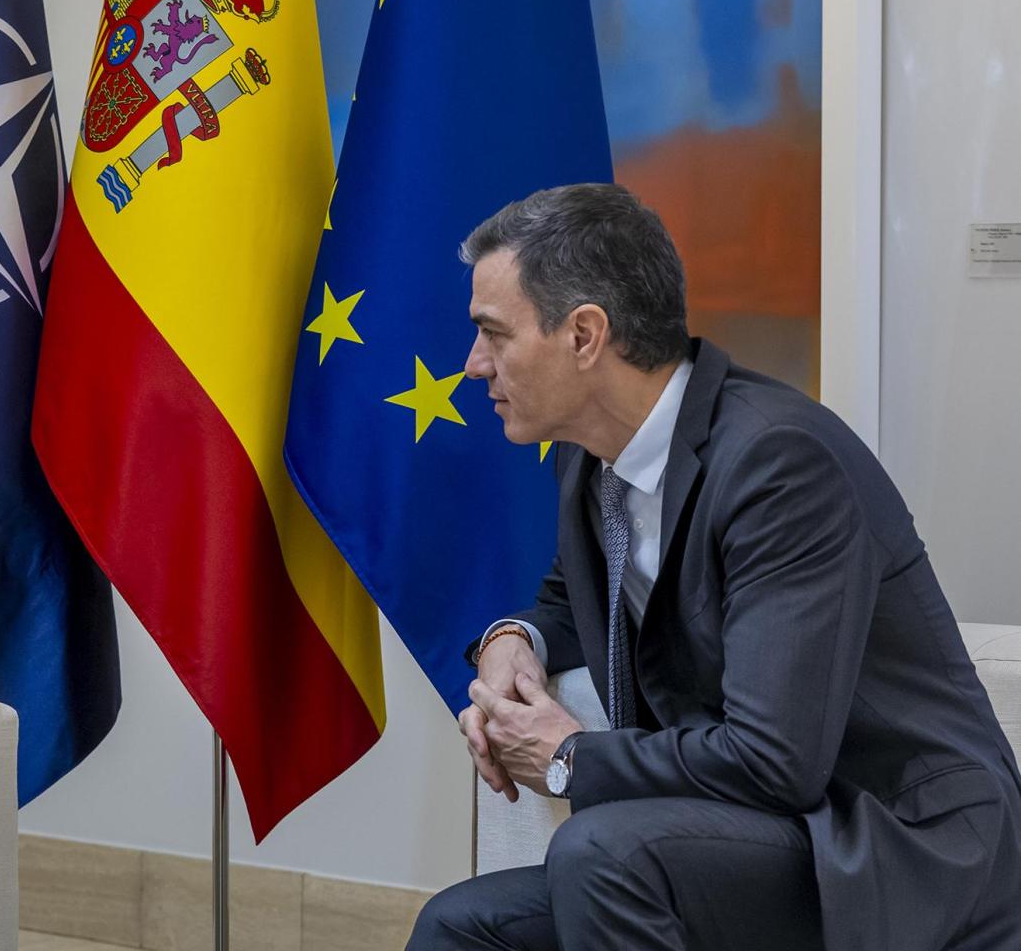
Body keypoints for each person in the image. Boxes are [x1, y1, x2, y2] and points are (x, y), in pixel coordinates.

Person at [408, 183, 1021, 951]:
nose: (473, 365)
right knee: (460, 927)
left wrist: (569, 758)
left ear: (585, 335)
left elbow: (776, 762)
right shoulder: (588, 455)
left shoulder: (781, 464)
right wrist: (512, 640)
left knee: (601, 854)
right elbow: (572, 597)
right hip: (753, 837)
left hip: (890, 847)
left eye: (493, 334)